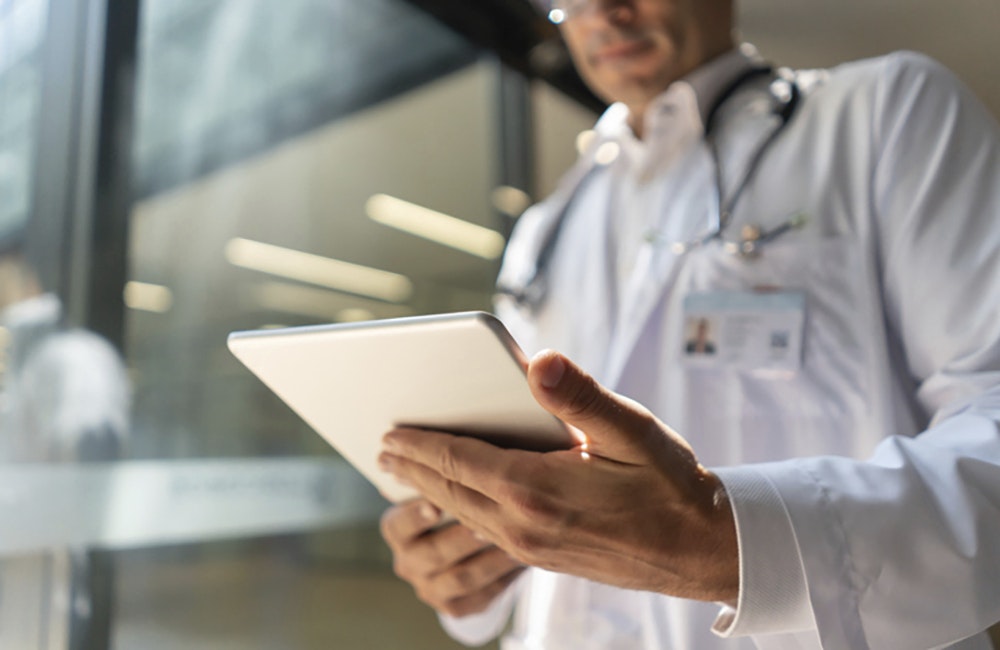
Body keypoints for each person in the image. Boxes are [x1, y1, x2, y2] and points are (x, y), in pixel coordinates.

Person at [378, 0, 1000, 647]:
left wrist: (727, 542)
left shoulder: (884, 112)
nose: (604, 13)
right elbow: (535, 478)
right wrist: (464, 562)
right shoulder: (547, 227)